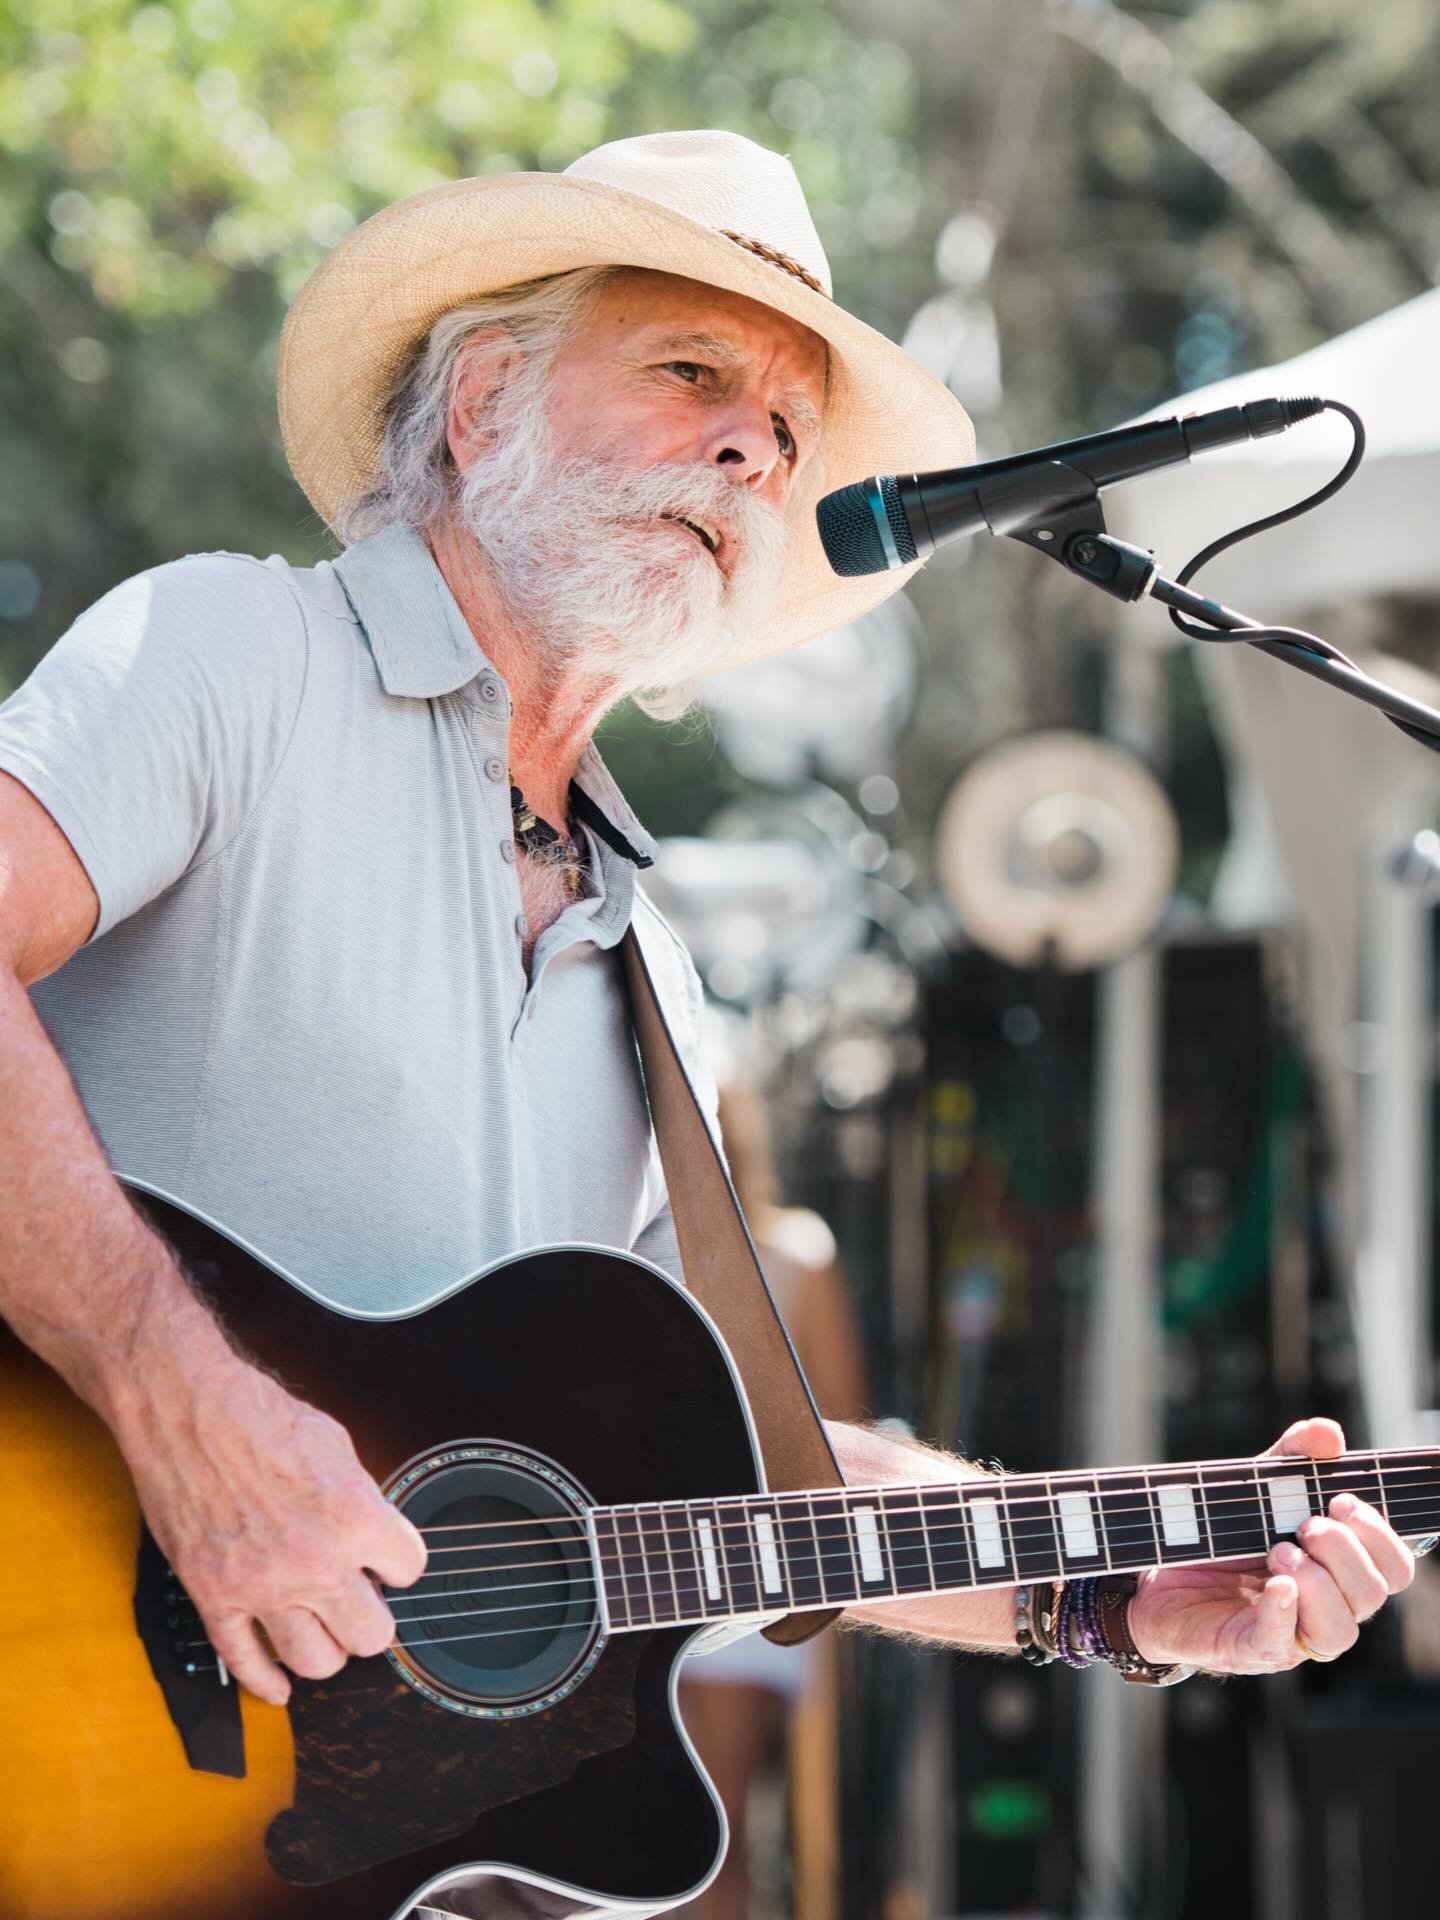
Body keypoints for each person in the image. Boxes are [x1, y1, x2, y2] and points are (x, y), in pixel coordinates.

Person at [0, 128, 1414, 1788]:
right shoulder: (238, 654)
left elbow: (746, 1475)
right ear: (480, 404)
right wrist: (180, 1399)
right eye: (692, 372)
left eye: (793, 426)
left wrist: (1109, 1597)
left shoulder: (649, 968)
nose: (756, 448)